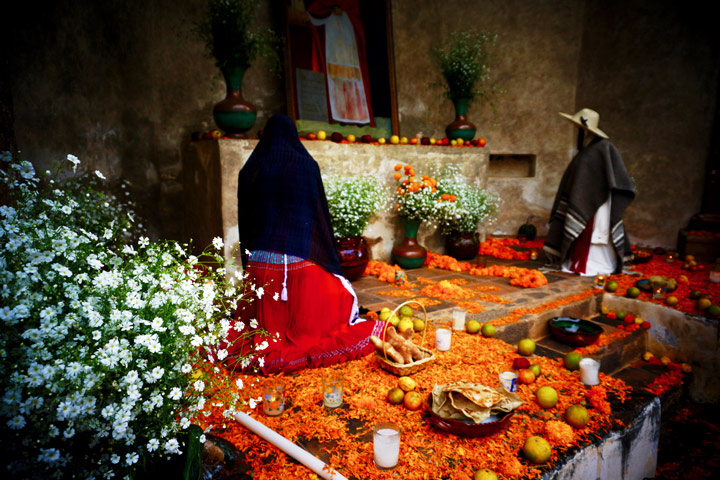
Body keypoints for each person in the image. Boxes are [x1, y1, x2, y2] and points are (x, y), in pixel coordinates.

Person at [226, 114, 383, 374]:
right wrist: (327, 260)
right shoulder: (305, 166)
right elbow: (318, 218)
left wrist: (250, 266)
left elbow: (247, 221)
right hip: (301, 266)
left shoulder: (251, 169)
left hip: (260, 267)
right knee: (338, 299)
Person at [543, 108, 635, 275]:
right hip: (594, 202)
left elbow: (601, 182)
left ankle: (590, 264)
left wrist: (586, 198)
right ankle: (580, 261)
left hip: (596, 205)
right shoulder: (590, 149)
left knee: (593, 235)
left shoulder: (600, 149)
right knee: (587, 234)